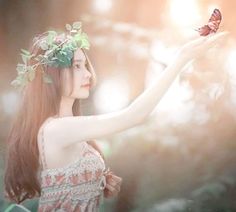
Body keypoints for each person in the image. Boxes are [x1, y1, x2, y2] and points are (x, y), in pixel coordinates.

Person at [3, 21, 228, 211]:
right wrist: (181, 58)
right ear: (54, 75)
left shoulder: (69, 130)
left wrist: (97, 180)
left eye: (85, 65)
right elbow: (133, 115)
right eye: (77, 66)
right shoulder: (56, 129)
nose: (88, 73)